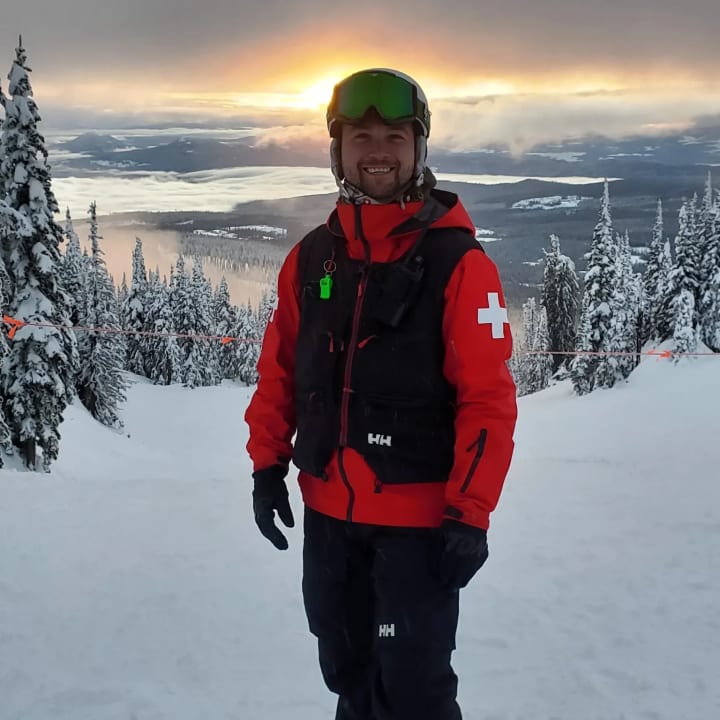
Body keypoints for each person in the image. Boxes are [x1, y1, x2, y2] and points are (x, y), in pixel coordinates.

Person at [244, 68, 517, 720]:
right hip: (328, 519)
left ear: (418, 148)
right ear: (337, 150)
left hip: (417, 527)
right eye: (361, 136)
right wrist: (266, 466)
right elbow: (280, 370)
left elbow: (488, 398)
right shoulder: (312, 259)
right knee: (348, 673)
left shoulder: (460, 264)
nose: (378, 151)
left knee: (414, 692)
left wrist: (470, 513)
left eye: (395, 136)